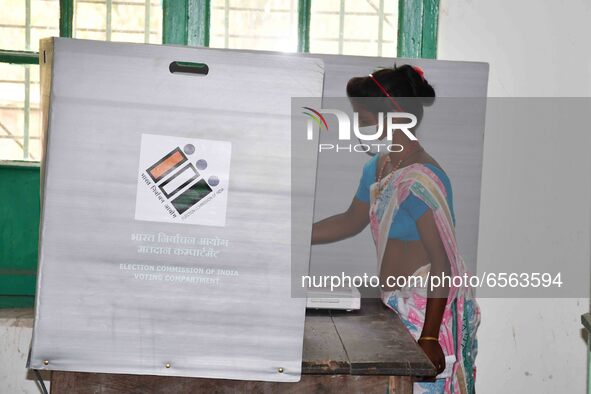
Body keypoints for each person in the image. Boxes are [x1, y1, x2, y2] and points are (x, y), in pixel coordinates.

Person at [311, 65, 480, 394]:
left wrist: (429, 337)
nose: (358, 127)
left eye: (363, 118)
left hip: (427, 315)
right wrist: (291, 235)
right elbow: (350, 221)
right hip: (393, 310)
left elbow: (442, 264)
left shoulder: (421, 179)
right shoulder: (377, 168)